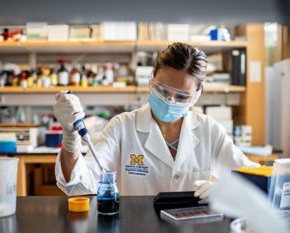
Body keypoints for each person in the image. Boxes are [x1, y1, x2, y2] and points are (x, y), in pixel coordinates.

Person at [53, 42, 258, 198]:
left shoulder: (209, 130)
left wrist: (224, 191)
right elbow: (79, 183)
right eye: (162, 90)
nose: (170, 100)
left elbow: (255, 180)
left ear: (197, 94)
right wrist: (71, 137)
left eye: (181, 96)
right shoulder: (122, 127)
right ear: (152, 79)